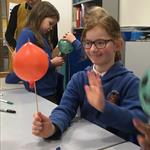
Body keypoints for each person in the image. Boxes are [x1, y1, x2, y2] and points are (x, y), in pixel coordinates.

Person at [32, 6, 148, 144]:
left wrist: (104, 106)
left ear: (117, 44)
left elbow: (138, 122)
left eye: (100, 42)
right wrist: (51, 127)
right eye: (88, 43)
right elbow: (65, 109)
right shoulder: (79, 79)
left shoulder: (131, 82)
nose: (92, 49)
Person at [15, 1, 64, 104]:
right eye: (50, 23)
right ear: (40, 16)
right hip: (39, 91)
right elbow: (26, 65)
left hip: (49, 89)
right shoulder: (27, 35)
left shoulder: (42, 36)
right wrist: (52, 63)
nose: (51, 28)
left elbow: (42, 59)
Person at [5, 0, 59, 83]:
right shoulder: (27, 32)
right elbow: (8, 35)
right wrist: (20, 50)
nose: (30, 1)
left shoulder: (48, 15)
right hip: (34, 80)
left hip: (44, 82)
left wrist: (47, 60)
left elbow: (54, 40)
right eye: (50, 24)